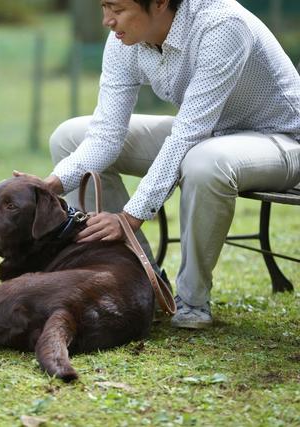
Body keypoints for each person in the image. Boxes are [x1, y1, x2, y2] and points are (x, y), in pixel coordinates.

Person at [17, 0, 300, 329]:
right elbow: (106, 134)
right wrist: (52, 184)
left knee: (204, 162)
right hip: (210, 133)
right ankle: (141, 283)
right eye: (104, 7)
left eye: (117, 9)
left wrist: (130, 216)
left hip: (282, 139)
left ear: (160, 2)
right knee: (70, 136)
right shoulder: (126, 39)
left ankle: (192, 302)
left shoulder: (222, 25)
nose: (107, 20)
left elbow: (188, 134)